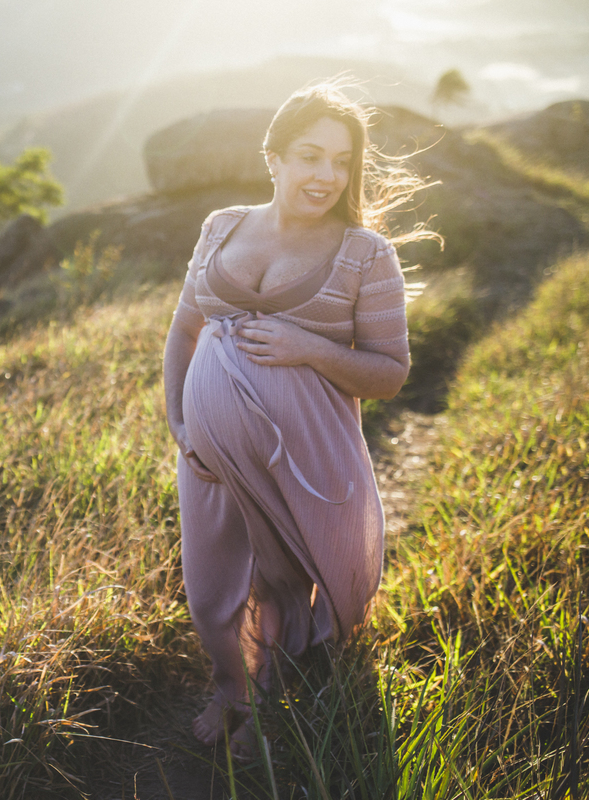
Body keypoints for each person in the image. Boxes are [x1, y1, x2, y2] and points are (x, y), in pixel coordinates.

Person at [161, 83, 431, 757]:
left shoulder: (366, 255)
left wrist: (307, 347)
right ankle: (230, 687)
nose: (327, 176)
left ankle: (271, 710)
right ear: (273, 157)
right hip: (209, 457)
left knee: (283, 586)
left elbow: (390, 373)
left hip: (308, 458)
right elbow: (184, 330)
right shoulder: (221, 226)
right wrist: (181, 425)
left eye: (342, 162)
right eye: (310, 156)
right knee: (209, 593)